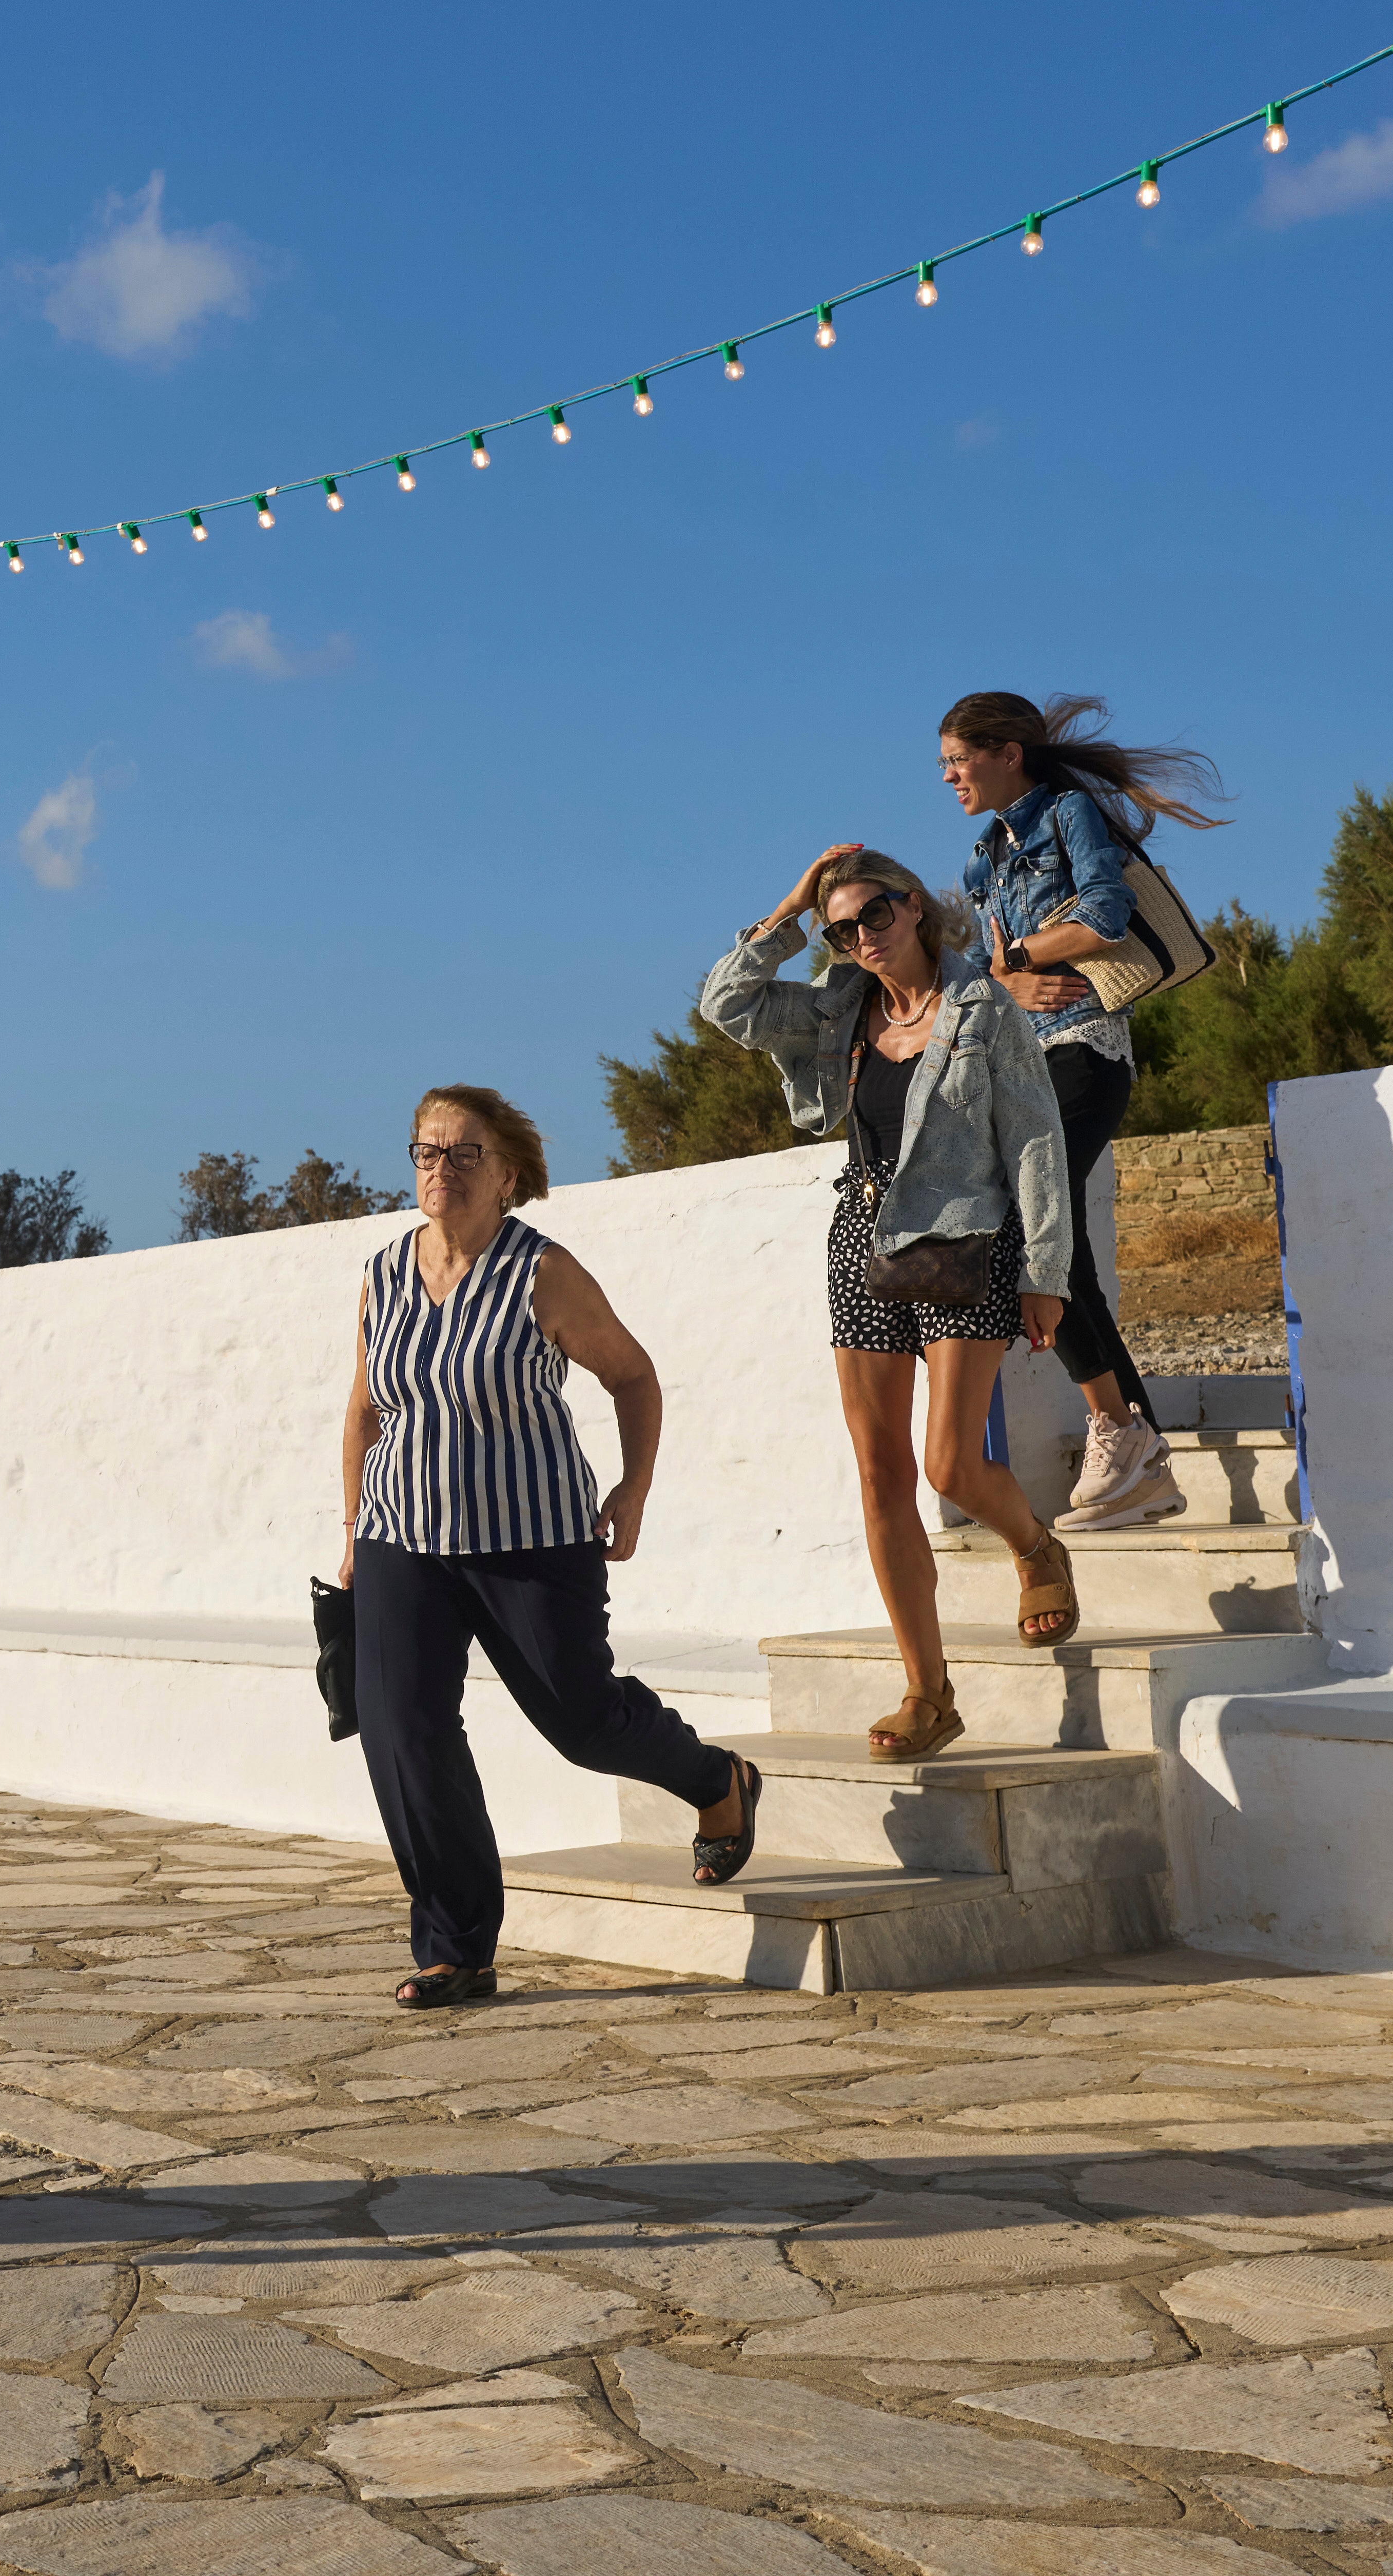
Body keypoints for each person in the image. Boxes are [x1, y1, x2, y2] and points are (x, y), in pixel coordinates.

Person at [339, 1085, 754, 2011]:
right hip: (403, 1535)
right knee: (404, 1736)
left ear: (508, 1176)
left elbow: (633, 1376)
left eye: (463, 1153)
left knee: (583, 1722)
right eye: (425, 1151)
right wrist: (356, 1533)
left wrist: (634, 1489)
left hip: (532, 1540)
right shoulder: (382, 1274)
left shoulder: (543, 1273)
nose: (439, 1169)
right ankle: (458, 1947)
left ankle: (715, 1778)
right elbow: (367, 1410)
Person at [701, 851, 1083, 1761]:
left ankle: (1035, 1547)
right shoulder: (840, 1008)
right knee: (880, 1473)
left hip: (967, 1240)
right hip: (863, 1241)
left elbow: (1034, 1139)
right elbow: (726, 1005)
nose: (862, 937)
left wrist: (1047, 1272)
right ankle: (928, 1689)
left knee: (950, 1465)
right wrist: (790, 906)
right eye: (841, 928)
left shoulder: (986, 1007)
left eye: (874, 915)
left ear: (914, 908)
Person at [940, 691, 1233, 1531]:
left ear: (1009, 753)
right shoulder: (978, 858)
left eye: (961, 759)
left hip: (1084, 1051)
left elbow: (1104, 915)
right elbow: (987, 973)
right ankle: (1136, 1452)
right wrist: (1007, 976)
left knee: (1039, 1233)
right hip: (1023, 1063)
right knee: (1053, 1247)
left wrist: (1024, 954)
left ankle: (1118, 1430)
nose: (952, 776)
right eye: (945, 764)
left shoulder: (1066, 814)